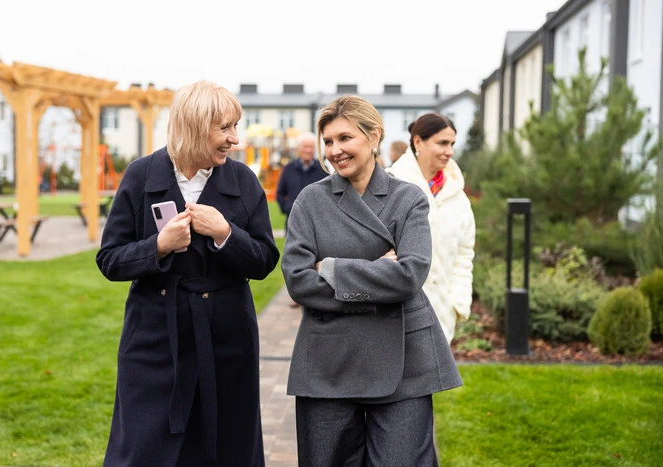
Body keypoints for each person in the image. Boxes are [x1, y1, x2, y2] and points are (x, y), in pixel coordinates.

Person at [96, 80, 279, 467]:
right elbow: (109, 259)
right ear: (195, 126)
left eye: (235, 127)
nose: (235, 139)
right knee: (145, 446)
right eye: (225, 128)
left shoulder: (243, 180)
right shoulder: (141, 176)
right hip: (154, 339)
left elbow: (264, 260)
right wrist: (158, 247)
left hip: (227, 338)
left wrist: (226, 235)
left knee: (226, 444)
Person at [281, 95, 462, 466]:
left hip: (402, 362)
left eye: (345, 138)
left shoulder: (408, 199)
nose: (334, 150)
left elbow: (409, 275)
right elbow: (298, 281)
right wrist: (377, 276)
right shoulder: (310, 202)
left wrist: (330, 268)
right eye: (328, 141)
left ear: (373, 136)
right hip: (327, 362)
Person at [387, 112, 476, 343]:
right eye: (442, 143)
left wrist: (457, 303)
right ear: (418, 142)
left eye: (452, 144)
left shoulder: (458, 196)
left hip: (442, 317)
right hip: (395, 315)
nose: (450, 151)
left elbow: (465, 254)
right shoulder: (391, 186)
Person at [275, 131, 328, 232]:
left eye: (311, 147)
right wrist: (287, 209)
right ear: (298, 148)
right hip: (293, 221)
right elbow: (280, 193)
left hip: (317, 223)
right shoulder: (288, 169)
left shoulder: (322, 169)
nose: (308, 150)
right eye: (305, 147)